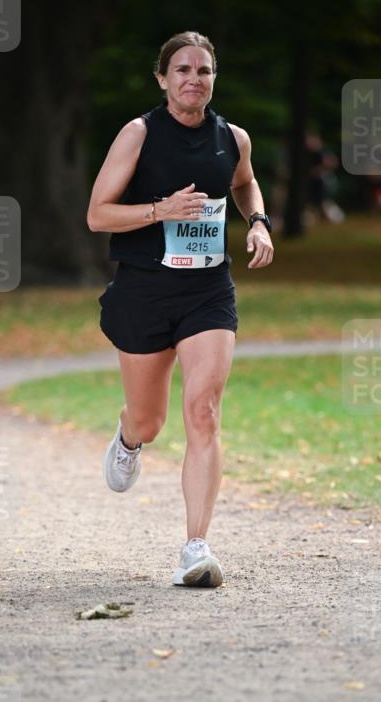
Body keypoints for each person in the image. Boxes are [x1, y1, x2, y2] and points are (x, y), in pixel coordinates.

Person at [87, 30, 274, 588]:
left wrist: (258, 221)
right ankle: (128, 437)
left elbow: (246, 184)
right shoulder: (138, 135)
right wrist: (160, 210)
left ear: (214, 78)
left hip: (208, 292)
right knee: (152, 419)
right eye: (183, 70)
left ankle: (196, 547)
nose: (195, 79)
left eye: (204, 70)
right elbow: (98, 214)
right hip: (144, 289)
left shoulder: (232, 138)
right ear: (163, 78)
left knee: (204, 412)